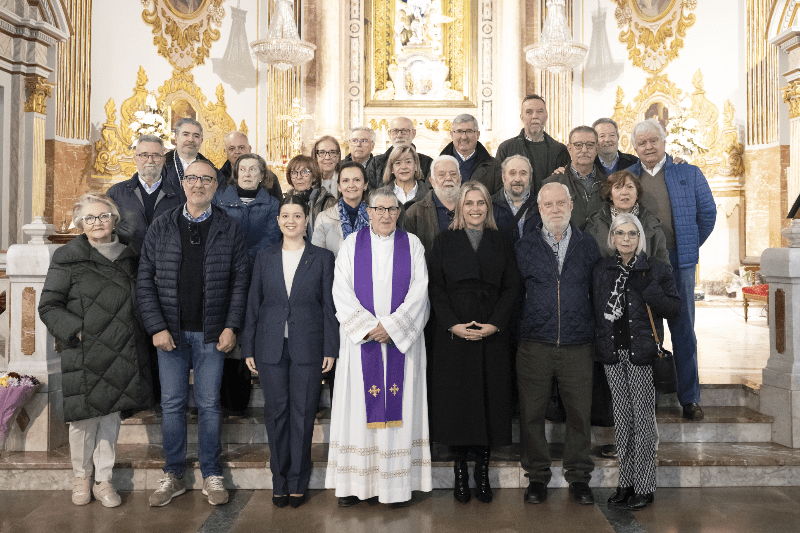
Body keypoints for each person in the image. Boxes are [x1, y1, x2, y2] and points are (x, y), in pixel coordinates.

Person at [138, 160, 250, 507]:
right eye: (192, 178)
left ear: (216, 186)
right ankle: (173, 473)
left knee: (209, 404)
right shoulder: (161, 226)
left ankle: (211, 474)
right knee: (171, 404)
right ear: (182, 183)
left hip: (211, 334)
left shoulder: (230, 227)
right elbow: (145, 282)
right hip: (170, 332)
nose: (198, 184)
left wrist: (230, 326)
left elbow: (240, 282)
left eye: (206, 179)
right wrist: (156, 327)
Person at [39, 193, 152, 508]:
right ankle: (81, 477)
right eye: (90, 218)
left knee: (110, 418)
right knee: (84, 421)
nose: (97, 222)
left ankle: (104, 480)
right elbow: (49, 304)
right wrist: (76, 330)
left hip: (121, 347)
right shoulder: (68, 256)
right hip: (84, 349)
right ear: (80, 224)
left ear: (114, 218)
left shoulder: (131, 253)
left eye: (103, 216)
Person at [325, 187, 432, 507]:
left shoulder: (412, 245)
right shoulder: (350, 245)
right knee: (359, 412)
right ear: (368, 212)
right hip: (361, 347)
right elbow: (340, 290)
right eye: (380, 209)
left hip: (401, 346)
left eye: (392, 210)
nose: (386, 215)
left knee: (399, 415)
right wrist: (369, 328)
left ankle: (395, 487)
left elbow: (420, 292)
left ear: (399, 212)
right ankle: (354, 484)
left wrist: (394, 328)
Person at [241, 195, 338, 509]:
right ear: (278, 220)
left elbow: (329, 307)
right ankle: (278, 481)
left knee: (303, 415)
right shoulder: (265, 257)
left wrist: (330, 347)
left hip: (308, 346)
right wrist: (249, 346)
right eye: (286, 215)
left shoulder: (322, 258)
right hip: (270, 346)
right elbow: (254, 304)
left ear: (306, 220)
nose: (291, 221)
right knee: (276, 414)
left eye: (298, 215)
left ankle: (298, 481)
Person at [427, 181, 521, 504]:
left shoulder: (501, 240)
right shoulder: (444, 240)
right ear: (459, 207)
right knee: (459, 403)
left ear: (488, 207)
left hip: (491, 332)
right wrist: (452, 324)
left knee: (487, 401)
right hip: (453, 333)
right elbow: (435, 289)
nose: (475, 209)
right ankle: (460, 473)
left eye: (481, 203)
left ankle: (482, 472)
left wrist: (494, 324)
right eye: (469, 203)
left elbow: (512, 288)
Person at [515, 182, 600, 506]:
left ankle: (578, 477)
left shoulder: (588, 244)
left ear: (570, 206)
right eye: (548, 204)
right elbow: (515, 294)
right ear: (539, 209)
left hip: (578, 343)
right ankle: (537, 476)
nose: (554, 209)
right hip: (535, 342)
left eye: (560, 203)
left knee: (579, 413)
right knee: (532, 413)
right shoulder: (525, 246)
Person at [628, 119, 716, 421]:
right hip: (643, 263)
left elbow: (707, 214)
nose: (649, 147)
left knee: (683, 331)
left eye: (654, 140)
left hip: (679, 262)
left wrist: (688, 245)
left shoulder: (688, 173)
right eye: (642, 143)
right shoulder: (628, 177)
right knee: (647, 331)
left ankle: (689, 398)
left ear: (664, 142)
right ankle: (648, 397)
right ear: (635, 148)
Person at [592, 213, 680, 511]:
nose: (626, 239)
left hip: (641, 354)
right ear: (612, 237)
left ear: (640, 237)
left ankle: (644, 486)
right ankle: (625, 483)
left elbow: (674, 308)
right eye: (620, 233)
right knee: (622, 421)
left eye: (632, 234)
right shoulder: (602, 269)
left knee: (642, 421)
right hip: (613, 354)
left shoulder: (654, 268)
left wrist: (648, 289)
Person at [213, 153, 281, 415]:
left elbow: (271, 237)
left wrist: (242, 258)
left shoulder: (272, 203)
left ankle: (245, 400)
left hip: (257, 276)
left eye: (254, 169)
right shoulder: (220, 200)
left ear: (262, 175)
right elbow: (217, 234)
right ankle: (226, 399)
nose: (248, 173)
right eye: (243, 169)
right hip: (225, 276)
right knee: (228, 333)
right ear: (236, 172)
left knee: (250, 332)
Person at [107, 134, 182, 248]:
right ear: (135, 158)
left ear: (163, 159)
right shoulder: (115, 193)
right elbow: (106, 232)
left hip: (165, 263)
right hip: (127, 262)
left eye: (156, 155)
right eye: (144, 155)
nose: (150, 160)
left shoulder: (180, 196)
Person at [585, 170, 669, 265]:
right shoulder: (593, 224)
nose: (624, 192)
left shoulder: (652, 224)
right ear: (610, 195)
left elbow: (664, 269)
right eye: (617, 187)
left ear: (637, 194)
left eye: (629, 187)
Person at [495, 95, 570, 198]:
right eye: (529, 112)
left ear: (546, 116)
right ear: (521, 117)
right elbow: (498, 186)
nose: (535, 116)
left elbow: (567, 187)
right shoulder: (506, 149)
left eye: (539, 111)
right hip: (519, 211)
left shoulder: (560, 150)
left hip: (550, 210)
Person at [542, 126, 603, 230]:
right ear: (569, 149)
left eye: (590, 145)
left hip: (599, 245)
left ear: (597, 149)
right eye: (578, 145)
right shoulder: (552, 183)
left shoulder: (608, 184)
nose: (584, 150)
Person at [403, 155, 461, 255]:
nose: (448, 178)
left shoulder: (473, 209)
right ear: (432, 182)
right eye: (441, 175)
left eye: (453, 174)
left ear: (459, 180)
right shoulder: (413, 214)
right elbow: (406, 254)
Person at [312, 161, 371, 257]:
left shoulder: (376, 217)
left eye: (357, 180)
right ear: (339, 186)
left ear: (365, 185)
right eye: (345, 181)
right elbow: (317, 259)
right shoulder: (324, 218)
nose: (351, 185)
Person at [437, 114, 502, 194]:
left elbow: (499, 200)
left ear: (478, 135)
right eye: (459, 131)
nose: (464, 137)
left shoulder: (495, 167)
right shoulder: (436, 165)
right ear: (452, 135)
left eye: (469, 131)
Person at [162, 117, 224, 198]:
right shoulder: (159, 168)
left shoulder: (214, 172)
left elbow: (219, 202)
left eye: (196, 136)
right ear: (176, 138)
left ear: (201, 140)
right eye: (186, 134)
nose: (191, 139)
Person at [366, 116, 433, 189]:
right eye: (395, 131)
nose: (399, 135)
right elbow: (369, 191)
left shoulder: (428, 162)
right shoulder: (376, 163)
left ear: (413, 133)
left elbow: (431, 193)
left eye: (404, 131)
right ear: (389, 134)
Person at [284, 154, 337, 235]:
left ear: (314, 176)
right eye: (294, 172)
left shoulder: (329, 203)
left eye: (305, 172)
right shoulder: (285, 202)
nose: (299, 177)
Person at [492, 154, 539, 244]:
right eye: (512, 173)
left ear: (530, 178)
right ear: (503, 177)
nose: (517, 179)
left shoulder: (541, 205)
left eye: (523, 173)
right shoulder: (490, 206)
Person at [220, 131, 282, 200]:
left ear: (249, 149)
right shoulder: (217, 178)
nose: (237, 152)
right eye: (232, 149)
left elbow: (280, 208)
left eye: (241, 147)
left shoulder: (268, 177)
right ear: (225, 152)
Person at [382, 144, 429, 211]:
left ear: (415, 165)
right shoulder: (380, 195)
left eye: (408, 162)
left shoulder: (430, 196)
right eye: (398, 163)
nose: (403, 167)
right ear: (392, 168)